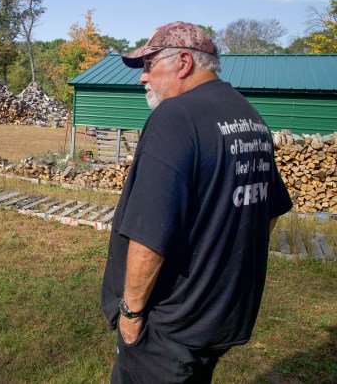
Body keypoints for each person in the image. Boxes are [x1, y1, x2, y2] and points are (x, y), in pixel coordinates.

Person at [101, 21, 293, 383]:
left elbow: (148, 234)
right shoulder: (250, 118)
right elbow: (268, 212)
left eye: (149, 65)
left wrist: (131, 313)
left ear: (184, 62)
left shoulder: (174, 117)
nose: (144, 78)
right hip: (219, 315)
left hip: (168, 326)